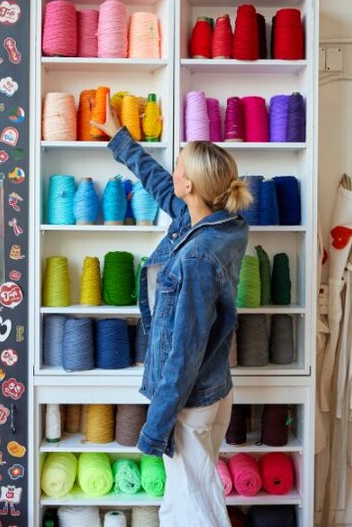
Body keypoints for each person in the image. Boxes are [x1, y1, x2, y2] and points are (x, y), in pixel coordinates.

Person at [92, 98, 252, 526]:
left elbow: (184, 352)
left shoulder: (198, 255)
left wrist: (155, 425)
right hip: (213, 389)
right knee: (188, 497)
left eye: (179, 167)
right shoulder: (221, 224)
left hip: (190, 397)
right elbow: (158, 183)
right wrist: (119, 138)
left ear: (192, 188)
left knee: (195, 507)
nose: (174, 172)